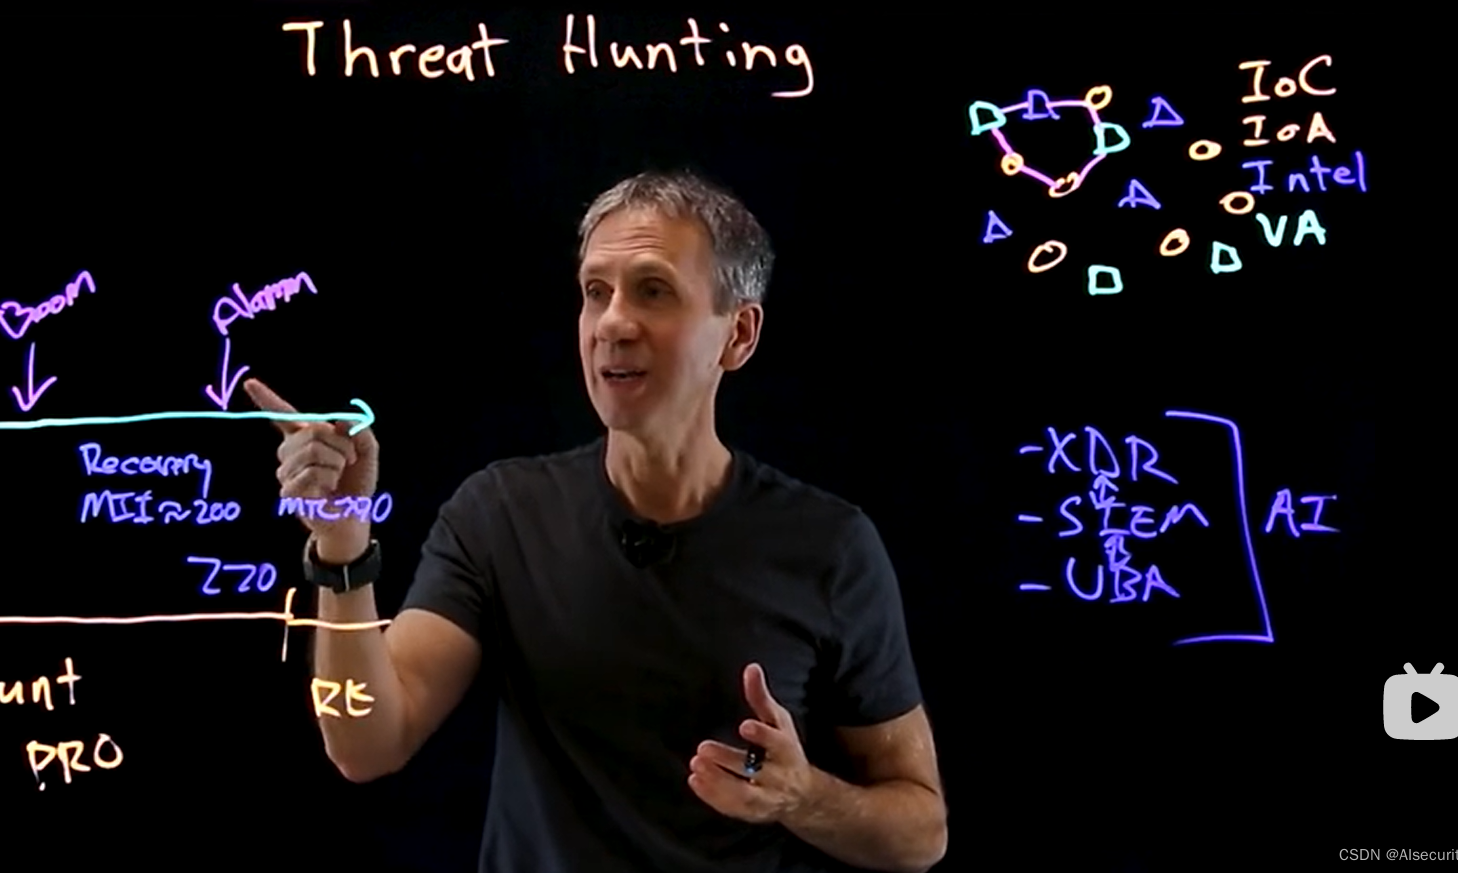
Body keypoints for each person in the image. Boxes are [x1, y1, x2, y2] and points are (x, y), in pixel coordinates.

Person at [243, 169, 947, 873]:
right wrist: (342, 548)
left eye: (653, 290)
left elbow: (921, 833)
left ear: (738, 334)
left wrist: (803, 796)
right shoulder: (500, 514)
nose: (612, 323)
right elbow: (365, 743)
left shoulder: (829, 547)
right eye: (595, 292)